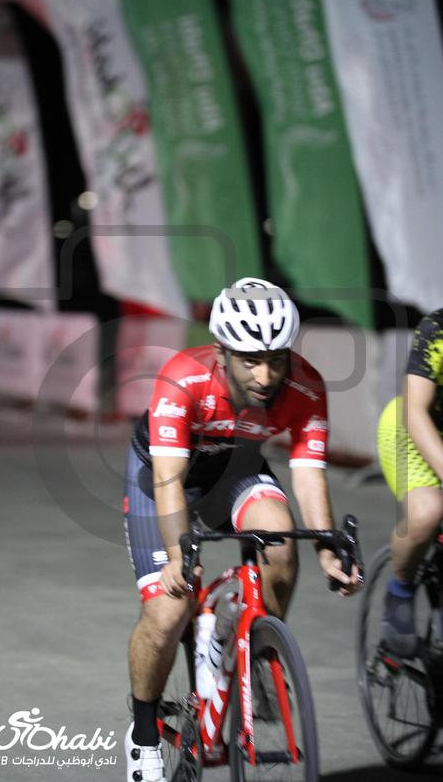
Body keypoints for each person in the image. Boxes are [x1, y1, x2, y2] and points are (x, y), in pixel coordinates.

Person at [123, 278, 361, 782]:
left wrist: (327, 551)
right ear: (221, 352)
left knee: (280, 540)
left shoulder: (305, 386)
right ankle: (143, 735)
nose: (265, 375)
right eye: (250, 360)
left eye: (276, 359)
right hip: (165, 475)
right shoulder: (183, 379)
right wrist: (178, 557)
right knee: (168, 611)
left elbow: (308, 474)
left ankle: (255, 650)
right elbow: (169, 479)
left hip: (235, 469)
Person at [378, 309, 443, 658]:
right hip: (411, 429)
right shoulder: (437, 329)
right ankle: (400, 588)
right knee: (427, 512)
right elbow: (414, 411)